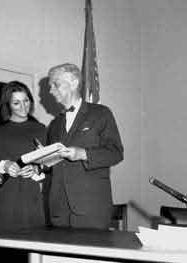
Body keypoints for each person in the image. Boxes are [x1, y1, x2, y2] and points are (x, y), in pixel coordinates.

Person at [47, 63, 123, 229]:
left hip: (91, 208)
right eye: (50, 86)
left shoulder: (101, 114)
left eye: (55, 84)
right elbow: (53, 165)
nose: (51, 90)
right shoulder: (54, 124)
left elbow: (116, 153)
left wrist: (83, 154)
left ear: (74, 83)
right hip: (59, 209)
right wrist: (38, 166)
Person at [0, 81, 47, 234]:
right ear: (7, 105)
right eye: (16, 103)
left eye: (26, 100)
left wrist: (36, 170)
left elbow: (49, 167)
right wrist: (4, 165)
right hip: (1, 197)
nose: (23, 106)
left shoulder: (41, 129)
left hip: (29, 198)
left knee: (30, 251)